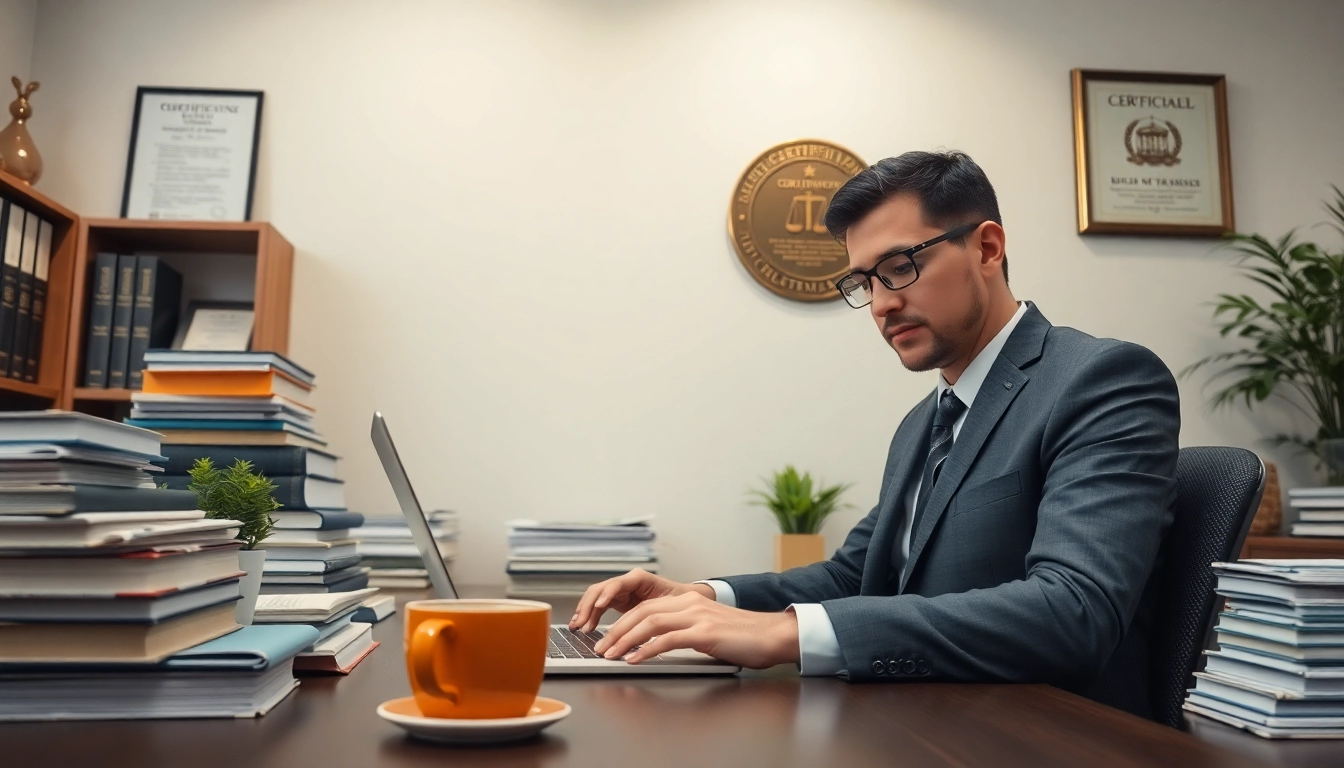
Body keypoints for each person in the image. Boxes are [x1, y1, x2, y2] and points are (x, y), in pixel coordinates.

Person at [570, 150, 1180, 718]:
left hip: (1047, 735)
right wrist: (707, 597)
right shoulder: (925, 421)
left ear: (987, 248)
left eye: (899, 267)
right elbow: (853, 577)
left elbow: (1073, 611)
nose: (882, 304)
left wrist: (787, 632)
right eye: (865, 283)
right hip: (922, 721)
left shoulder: (1101, 380)